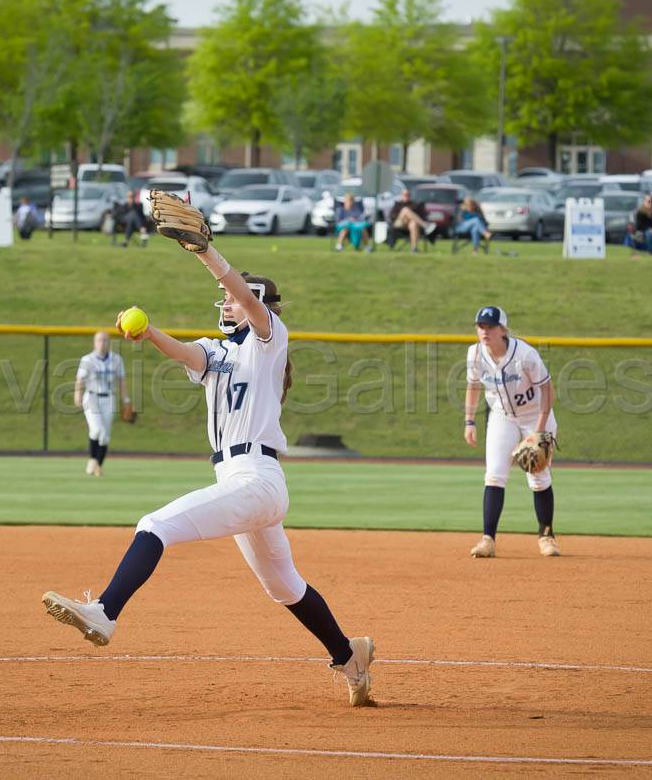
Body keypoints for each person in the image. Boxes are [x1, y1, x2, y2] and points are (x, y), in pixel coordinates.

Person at [42, 240, 375, 706]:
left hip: (258, 477)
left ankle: (104, 611)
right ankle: (349, 655)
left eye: (233, 299)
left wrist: (206, 255)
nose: (225, 302)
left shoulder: (269, 338)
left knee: (155, 524)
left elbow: (246, 298)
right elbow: (185, 354)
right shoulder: (217, 352)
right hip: (238, 480)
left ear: (254, 304)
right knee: (283, 586)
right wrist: (149, 332)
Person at [462, 306, 560, 559]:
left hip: (535, 415)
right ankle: (488, 540)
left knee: (538, 478)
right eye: (480, 326)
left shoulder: (525, 354)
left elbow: (548, 390)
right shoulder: (474, 353)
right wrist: (469, 421)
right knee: (494, 475)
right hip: (502, 416)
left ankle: (547, 537)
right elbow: (473, 385)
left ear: (502, 330)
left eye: (490, 326)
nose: (484, 331)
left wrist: (538, 432)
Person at [74, 331, 129, 477]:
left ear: (109, 342)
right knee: (97, 429)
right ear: (94, 342)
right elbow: (80, 379)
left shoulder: (116, 359)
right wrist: (77, 395)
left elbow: (122, 380)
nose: (102, 343)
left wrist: (126, 400)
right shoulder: (87, 359)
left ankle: (97, 465)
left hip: (109, 398)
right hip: (91, 397)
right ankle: (93, 461)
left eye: (105, 340)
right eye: (99, 340)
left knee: (105, 435)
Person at [387, 188, 437, 253]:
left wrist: (409, 217)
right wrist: (403, 216)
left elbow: (421, 215)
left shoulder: (414, 204)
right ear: (402, 195)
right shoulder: (397, 204)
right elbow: (392, 216)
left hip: (409, 225)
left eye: (408, 194)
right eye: (405, 194)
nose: (406, 196)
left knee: (414, 224)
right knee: (405, 210)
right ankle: (425, 225)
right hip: (399, 223)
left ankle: (414, 248)